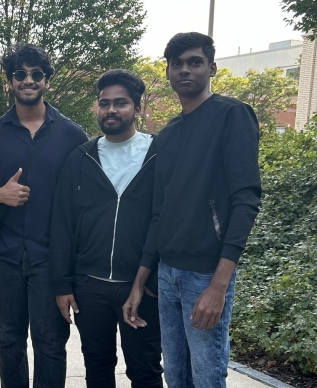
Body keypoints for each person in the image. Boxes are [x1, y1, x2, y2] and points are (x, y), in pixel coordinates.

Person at [124, 32, 262, 388]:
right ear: (168, 72)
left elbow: (246, 199)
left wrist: (219, 284)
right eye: (177, 64)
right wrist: (141, 280)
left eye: (194, 62)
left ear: (212, 67)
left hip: (206, 274)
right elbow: (159, 211)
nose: (185, 70)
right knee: (176, 376)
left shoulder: (233, 115)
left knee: (207, 377)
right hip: (167, 273)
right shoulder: (168, 134)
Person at [0, 43, 87, 388]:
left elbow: (84, 201)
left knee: (51, 343)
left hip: (51, 259)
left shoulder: (72, 135)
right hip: (4, 257)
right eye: (20, 74)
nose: (28, 80)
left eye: (36, 74)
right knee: (8, 340)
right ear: (10, 82)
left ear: (46, 82)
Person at [49, 69, 162, 387]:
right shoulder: (81, 158)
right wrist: (62, 284)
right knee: (97, 367)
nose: (111, 109)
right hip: (89, 286)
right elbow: (62, 224)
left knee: (145, 370)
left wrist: (149, 278)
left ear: (138, 108)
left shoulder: (158, 155)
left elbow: (164, 220)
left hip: (141, 286)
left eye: (121, 103)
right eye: (104, 103)